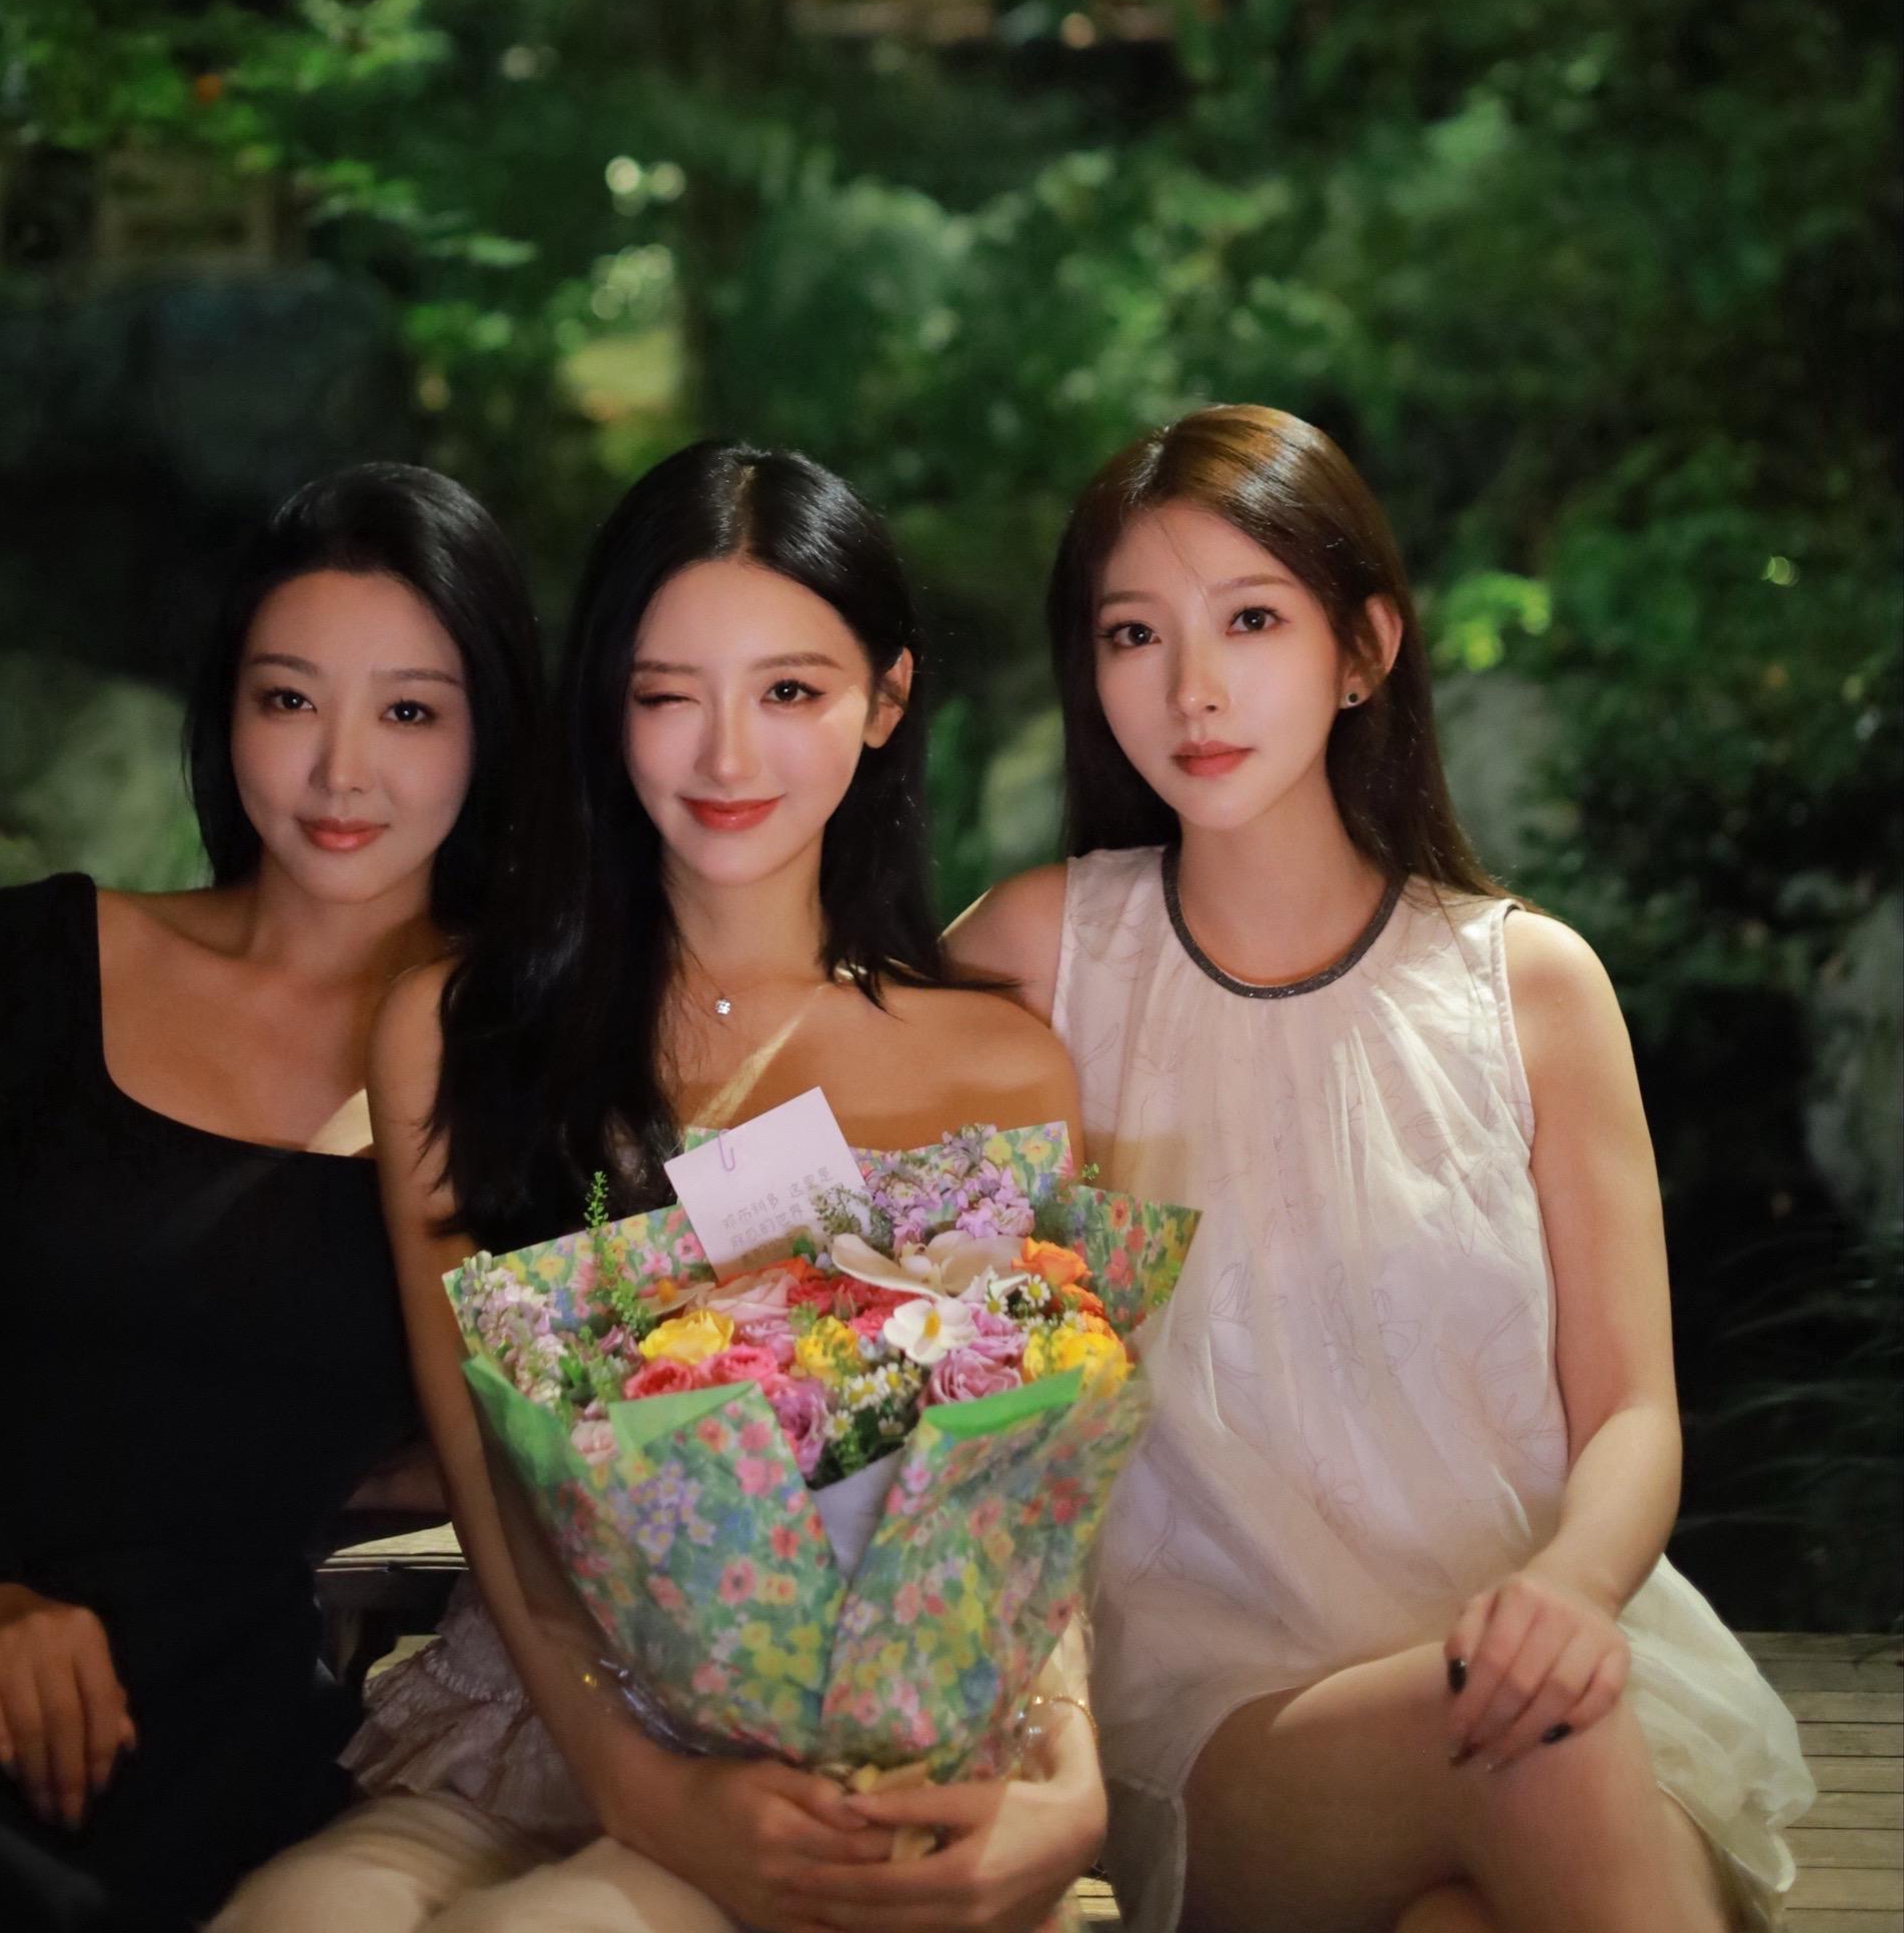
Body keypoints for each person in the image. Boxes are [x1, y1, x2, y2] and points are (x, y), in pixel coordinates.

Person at [215, 440, 1109, 1933]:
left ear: (887, 700)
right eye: (668, 695)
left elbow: (1023, 1487)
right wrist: (638, 1787)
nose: (727, 759)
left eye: (790, 692)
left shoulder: (995, 1067)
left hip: (850, 1742)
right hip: (540, 1705)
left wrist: (1068, 1771)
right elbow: (487, 1479)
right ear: (606, 707)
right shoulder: (461, 1029)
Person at [947, 404, 1816, 1933]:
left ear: (1365, 649)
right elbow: (862, 1265)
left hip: (1560, 1652)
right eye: (1136, 634)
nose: (1193, 688)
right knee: (1527, 1744)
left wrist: (1569, 1590)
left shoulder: (1529, 988)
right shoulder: (1042, 961)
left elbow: (1630, 1411)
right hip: (1233, 1730)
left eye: (1253, 619)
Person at [0, 461, 544, 1933]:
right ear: (225, 709)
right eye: (289, 699)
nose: (340, 774)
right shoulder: (41, 959)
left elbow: (562, 1416)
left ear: (490, 732)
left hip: (223, 1699)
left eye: (409, 714)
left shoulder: (509, 1065)